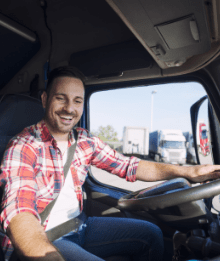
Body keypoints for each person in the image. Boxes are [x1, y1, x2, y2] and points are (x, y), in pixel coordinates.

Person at [1, 66, 220, 261]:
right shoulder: (23, 146)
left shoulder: (84, 140)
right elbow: (19, 214)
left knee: (151, 234)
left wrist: (191, 171)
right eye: (61, 98)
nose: (70, 108)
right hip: (48, 236)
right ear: (44, 99)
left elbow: (130, 166)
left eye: (77, 101)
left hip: (81, 225)